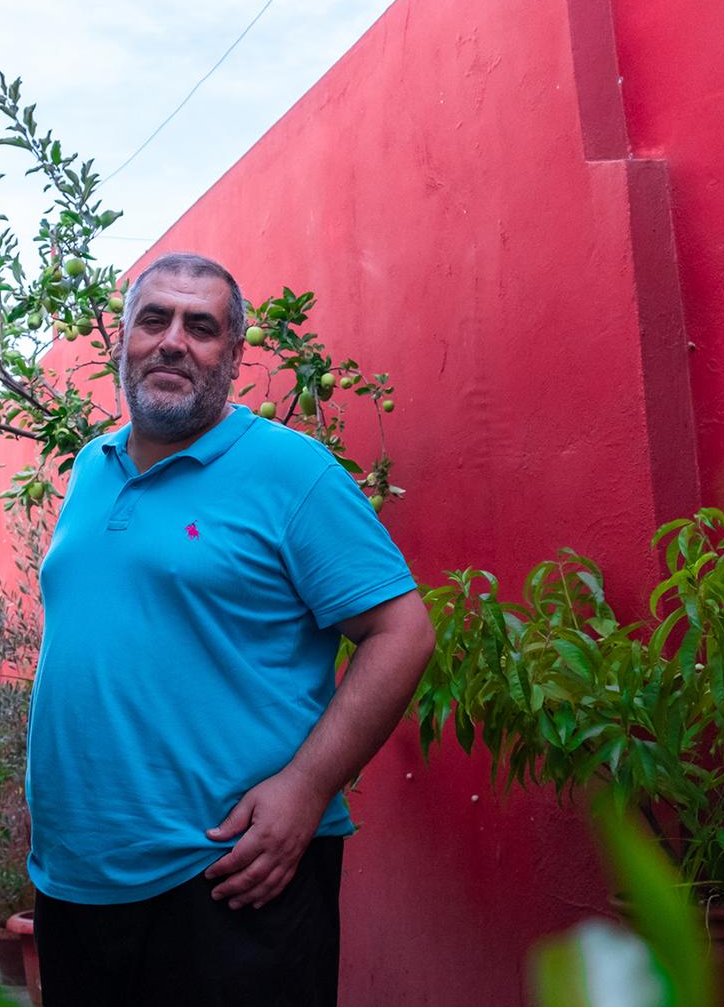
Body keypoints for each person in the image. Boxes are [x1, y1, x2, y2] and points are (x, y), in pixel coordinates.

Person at [27, 252, 435, 1006]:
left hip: (229, 878)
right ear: (124, 340)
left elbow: (402, 631)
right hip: (78, 880)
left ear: (234, 353)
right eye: (153, 319)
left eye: (201, 325)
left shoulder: (292, 471)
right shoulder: (92, 465)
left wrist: (308, 786)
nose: (172, 340)